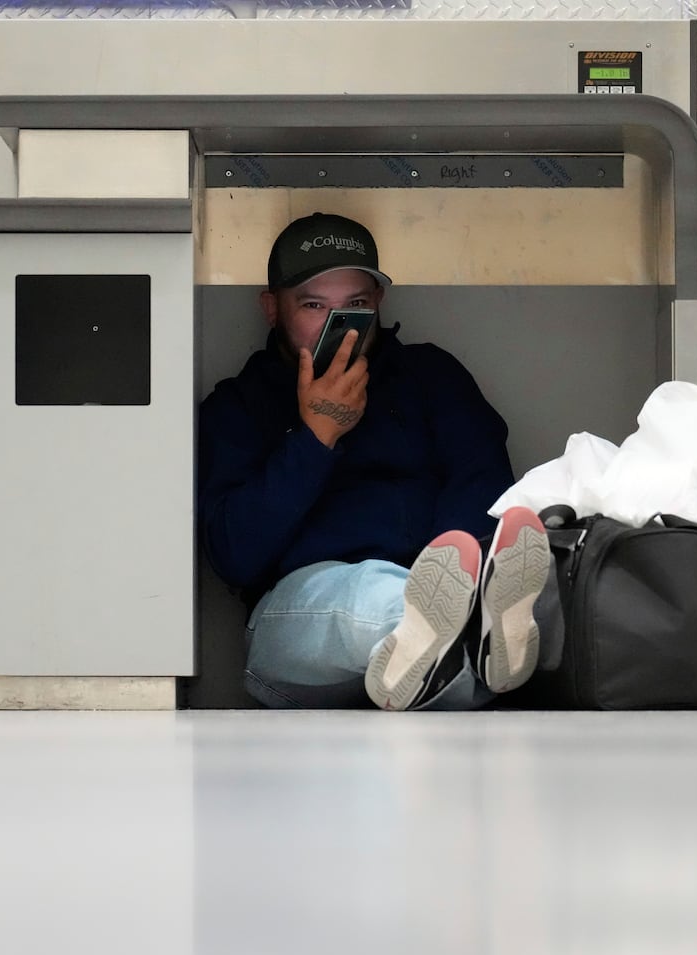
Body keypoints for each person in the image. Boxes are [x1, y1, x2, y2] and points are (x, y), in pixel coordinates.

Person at [197, 212, 553, 710]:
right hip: (300, 622)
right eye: (313, 304)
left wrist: (452, 571)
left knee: (482, 590)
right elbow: (235, 555)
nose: (337, 325)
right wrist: (316, 437)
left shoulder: (430, 376)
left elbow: (482, 484)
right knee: (368, 595)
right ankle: (468, 634)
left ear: (378, 302)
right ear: (272, 308)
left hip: (431, 579)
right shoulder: (237, 406)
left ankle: (459, 642)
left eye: (356, 304)